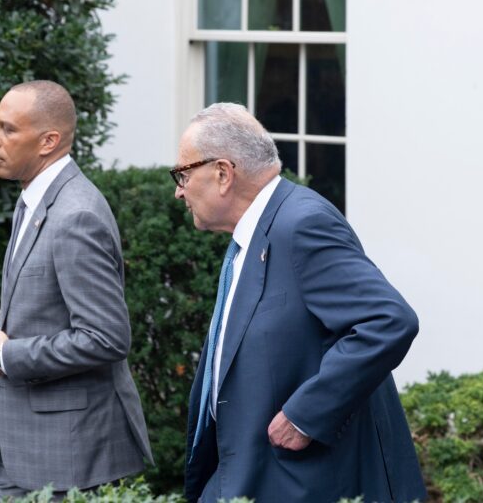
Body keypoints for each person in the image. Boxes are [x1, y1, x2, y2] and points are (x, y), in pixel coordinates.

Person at [174, 103, 426, 503]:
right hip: (250, 475)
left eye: (183, 173)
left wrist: (306, 414)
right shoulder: (257, 232)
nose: (179, 189)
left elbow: (388, 320)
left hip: (302, 481)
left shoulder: (301, 223)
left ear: (222, 173)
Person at [0, 80, 152, 499]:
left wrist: (8, 355)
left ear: (48, 141)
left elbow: (106, 338)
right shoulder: (35, 201)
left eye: (8, 129)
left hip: (66, 457)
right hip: (25, 448)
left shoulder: (76, 215)